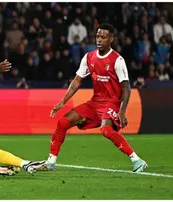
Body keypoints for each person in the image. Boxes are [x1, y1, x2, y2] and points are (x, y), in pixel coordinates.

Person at [43, 23, 147, 172]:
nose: (99, 40)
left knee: (106, 130)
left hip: (112, 102)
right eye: (97, 36)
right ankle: (51, 162)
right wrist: (62, 102)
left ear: (111, 39)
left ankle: (137, 160)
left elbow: (126, 87)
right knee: (62, 122)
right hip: (95, 102)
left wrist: (122, 111)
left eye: (103, 37)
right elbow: (77, 81)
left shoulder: (117, 60)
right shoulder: (89, 57)